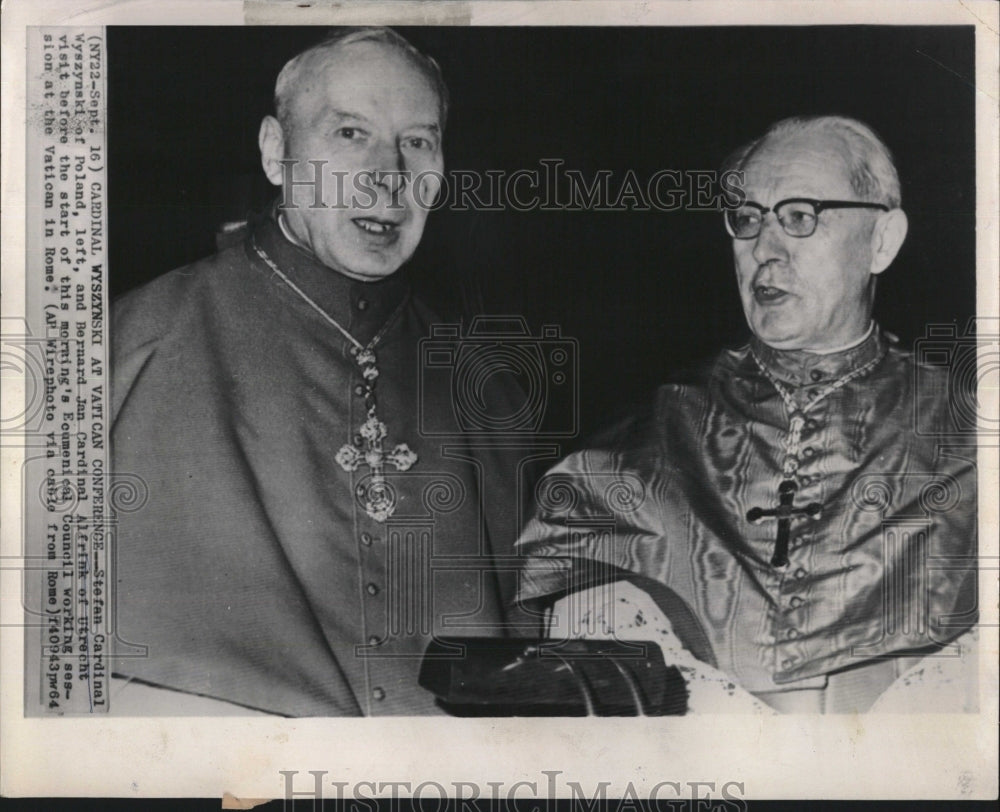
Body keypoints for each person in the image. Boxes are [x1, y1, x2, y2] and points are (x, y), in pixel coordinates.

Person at [109, 27, 526, 716]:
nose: (389, 175)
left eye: (418, 140)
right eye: (351, 133)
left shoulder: (487, 385)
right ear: (277, 153)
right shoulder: (130, 349)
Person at [515, 116, 978, 714]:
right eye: (748, 218)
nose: (764, 247)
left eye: (799, 216)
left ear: (881, 241)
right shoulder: (646, 441)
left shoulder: (969, 435)